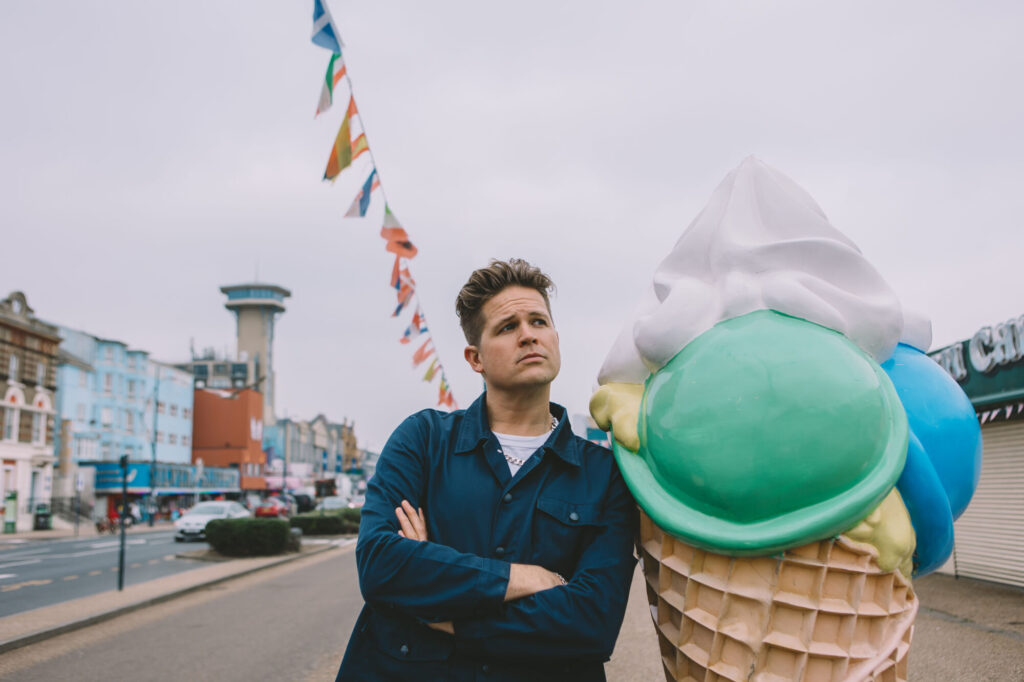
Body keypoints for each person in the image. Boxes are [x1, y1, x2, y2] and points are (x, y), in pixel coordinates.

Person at [337, 259, 637, 681]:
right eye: (507, 327)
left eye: (538, 321)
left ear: (555, 337)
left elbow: (591, 622)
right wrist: (522, 578)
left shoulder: (605, 472)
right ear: (475, 358)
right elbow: (381, 565)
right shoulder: (423, 440)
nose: (528, 334)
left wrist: (445, 612)